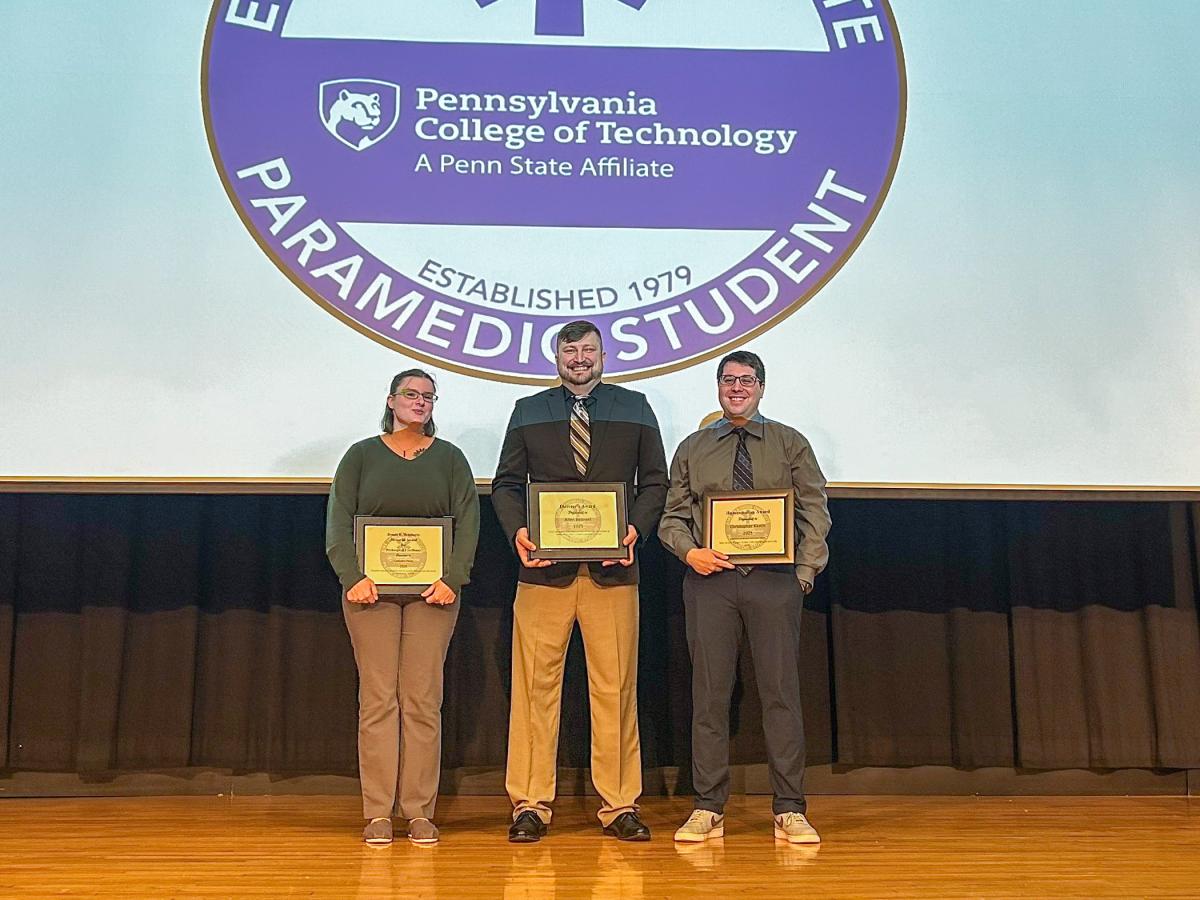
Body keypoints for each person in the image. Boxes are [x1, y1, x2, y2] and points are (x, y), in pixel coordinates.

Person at [492, 320, 669, 842]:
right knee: (534, 689)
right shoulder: (528, 410)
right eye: (570, 351)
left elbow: (655, 483)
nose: (579, 359)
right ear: (557, 358)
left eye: (588, 350)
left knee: (616, 689)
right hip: (542, 573)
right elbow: (506, 484)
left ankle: (620, 805)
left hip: (614, 572)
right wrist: (520, 532)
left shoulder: (635, 406)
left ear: (603, 355)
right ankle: (529, 804)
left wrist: (635, 529)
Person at [658, 350, 831, 845]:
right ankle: (708, 807)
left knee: (781, 695)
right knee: (709, 697)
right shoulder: (692, 447)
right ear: (718, 386)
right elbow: (672, 518)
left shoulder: (790, 442)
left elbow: (815, 509)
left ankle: (790, 809)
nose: (737, 388)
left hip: (774, 582)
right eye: (728, 380)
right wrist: (690, 552)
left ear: (761, 387)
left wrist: (803, 573)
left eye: (747, 380)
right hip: (710, 582)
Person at [326, 369, 480, 846]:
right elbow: (338, 522)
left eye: (428, 396)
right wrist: (352, 577)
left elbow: (468, 523)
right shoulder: (361, 455)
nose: (420, 402)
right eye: (411, 394)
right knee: (378, 700)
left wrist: (452, 578)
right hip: (368, 593)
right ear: (391, 401)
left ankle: (418, 811)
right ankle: (377, 811)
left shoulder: (450, 458)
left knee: (422, 701)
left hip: (434, 594)